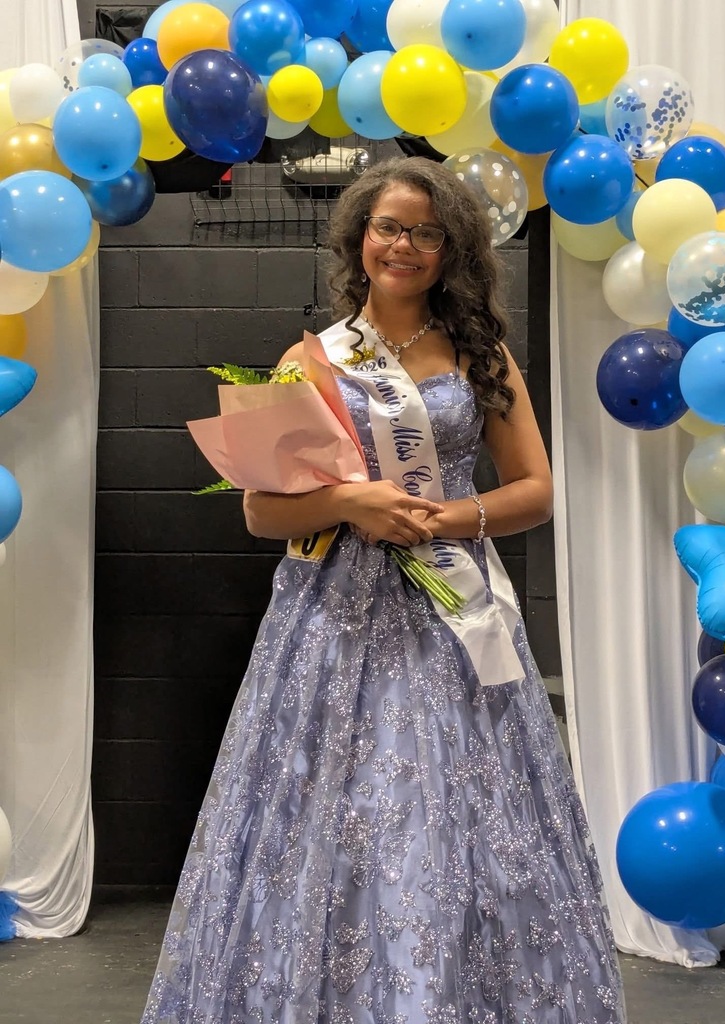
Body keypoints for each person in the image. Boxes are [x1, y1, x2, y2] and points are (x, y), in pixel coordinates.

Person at [141, 157, 626, 1023]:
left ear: (452, 250)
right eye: (389, 228)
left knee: (454, 812)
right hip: (335, 615)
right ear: (360, 239)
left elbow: (535, 491)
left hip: (452, 608)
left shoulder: (482, 356)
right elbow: (261, 509)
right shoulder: (312, 358)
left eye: (426, 232)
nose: (404, 245)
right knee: (340, 811)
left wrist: (440, 521)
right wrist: (353, 501)